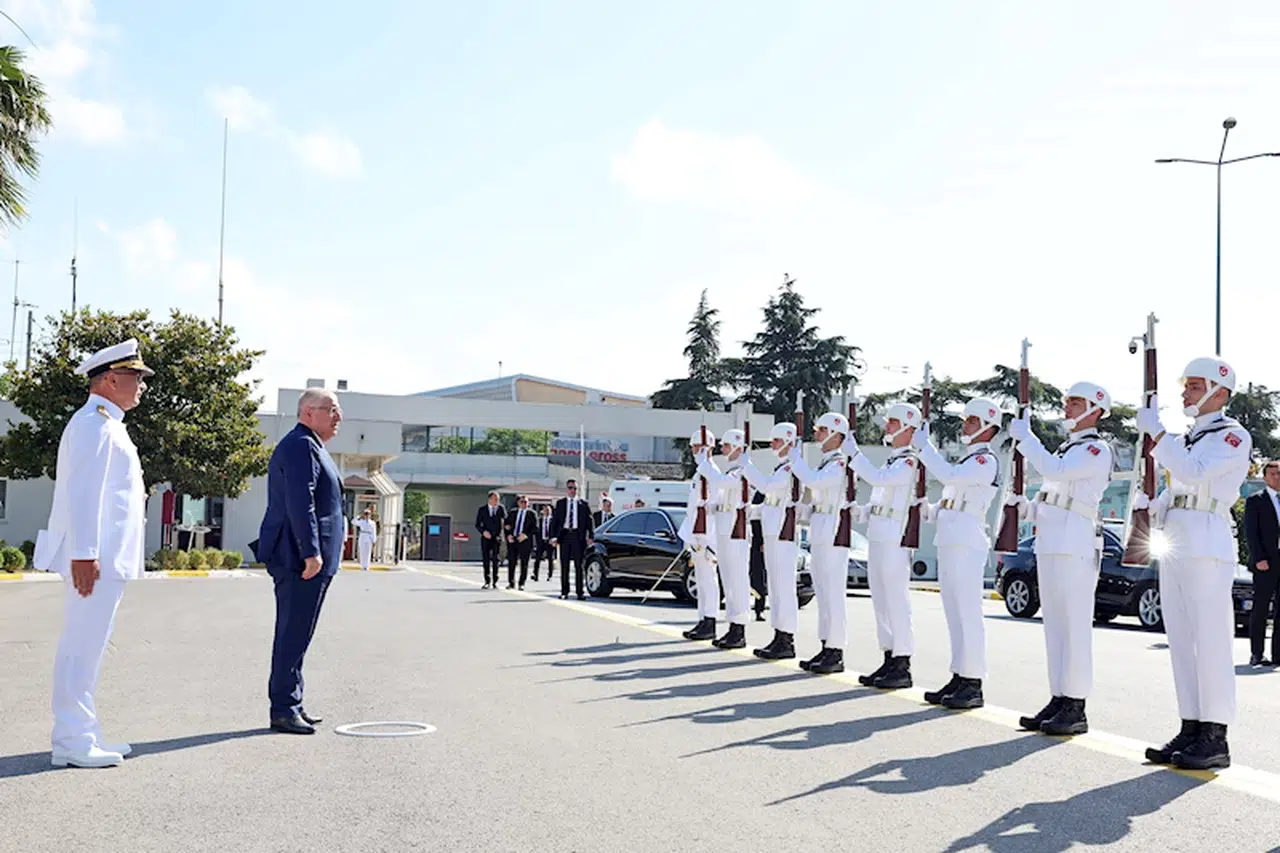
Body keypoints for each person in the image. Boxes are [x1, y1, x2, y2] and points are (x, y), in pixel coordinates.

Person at [35, 339, 152, 768]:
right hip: (94, 560)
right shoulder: (93, 424)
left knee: (89, 646)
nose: (142, 385)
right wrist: (84, 554)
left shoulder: (108, 423)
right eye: (136, 377)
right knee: (81, 647)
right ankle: (72, 740)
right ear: (110, 379)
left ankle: (84, 732)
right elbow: (83, 492)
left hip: (105, 557)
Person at [1137, 357, 1251, 770]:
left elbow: (1195, 472)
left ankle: (1215, 735)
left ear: (1220, 392)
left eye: (1195, 385)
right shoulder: (1189, 437)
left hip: (1206, 541)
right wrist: (1154, 505)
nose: (1185, 392)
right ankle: (1191, 726)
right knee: (1182, 639)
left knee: (1210, 640)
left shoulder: (1232, 435)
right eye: (1185, 385)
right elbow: (1179, 484)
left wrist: (1158, 434)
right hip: (1177, 539)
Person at [1006, 382, 1113, 737]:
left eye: (1076, 403)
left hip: (1075, 543)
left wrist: (1027, 439)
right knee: (1054, 625)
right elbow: (1053, 494)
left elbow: (1055, 471)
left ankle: (1076, 704)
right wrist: (1027, 508)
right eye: (1067, 402)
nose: (1067, 408)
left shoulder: (1095, 449)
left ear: (1095, 410)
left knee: (1074, 625)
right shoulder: (1068, 449)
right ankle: (1059, 696)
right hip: (1051, 542)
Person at [254, 387, 345, 735]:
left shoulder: (312, 446)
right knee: (292, 632)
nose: (338, 417)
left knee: (300, 632)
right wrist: (310, 551)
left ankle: (293, 701)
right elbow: (300, 501)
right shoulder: (300, 445)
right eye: (331, 409)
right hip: (297, 558)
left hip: (308, 557)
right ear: (308, 412)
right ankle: (283, 708)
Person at [911, 398, 1004, 709]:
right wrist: (930, 510)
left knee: (968, 613)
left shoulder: (984, 460)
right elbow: (952, 500)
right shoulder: (968, 461)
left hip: (966, 542)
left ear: (988, 427)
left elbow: (950, 477)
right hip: (951, 539)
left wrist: (925, 449)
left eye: (972, 420)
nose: (965, 425)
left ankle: (973, 681)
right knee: (954, 613)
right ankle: (959, 675)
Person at [847, 403, 923, 689]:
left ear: (907, 428)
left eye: (892, 422)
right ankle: (889, 656)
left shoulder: (909, 461)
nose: (887, 426)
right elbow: (881, 495)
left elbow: (881, 480)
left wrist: (855, 455)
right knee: (880, 599)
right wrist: (862, 511)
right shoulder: (892, 460)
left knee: (895, 600)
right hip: (879, 534)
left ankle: (902, 663)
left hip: (895, 537)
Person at [788, 413, 854, 675]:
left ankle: (836, 650)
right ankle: (826, 645)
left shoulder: (839, 463)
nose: (816, 434)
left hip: (833, 531)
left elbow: (814, 482)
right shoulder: (826, 463)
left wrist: (795, 460)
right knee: (823, 592)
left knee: (833, 594)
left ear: (837, 435)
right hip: (821, 529)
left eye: (822, 430)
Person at [740, 422, 803, 660]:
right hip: (773, 533)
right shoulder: (780, 468)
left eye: (776, 440)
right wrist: (753, 511)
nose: (772, 444)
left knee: (784, 588)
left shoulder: (789, 468)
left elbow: (766, 487)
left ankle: (787, 639)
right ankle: (779, 635)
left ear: (787, 442)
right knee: (776, 587)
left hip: (783, 534)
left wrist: (747, 465)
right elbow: (771, 502)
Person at [695, 428, 752, 649]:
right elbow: (723, 496)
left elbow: (720, 482)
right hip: (725, 531)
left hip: (736, 533)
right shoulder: (733, 471)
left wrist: (704, 463)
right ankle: (733, 627)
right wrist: (712, 507)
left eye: (726, 445)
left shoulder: (742, 471)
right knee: (728, 581)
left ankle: (739, 628)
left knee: (738, 581)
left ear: (737, 446)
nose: (723, 449)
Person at [679, 429, 720, 640]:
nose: (695, 450)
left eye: (698, 447)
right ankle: (703, 619)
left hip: (707, 536)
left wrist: (708, 539)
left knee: (708, 579)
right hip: (697, 534)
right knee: (701, 580)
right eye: (693, 447)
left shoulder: (711, 472)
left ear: (708, 448)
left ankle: (710, 620)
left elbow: (712, 508)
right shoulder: (699, 473)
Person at [1243, 460, 1280, 668]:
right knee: (1261, 608)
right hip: (1265, 562)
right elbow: (1251, 533)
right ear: (1265, 478)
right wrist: (1258, 558)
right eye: (1273, 474)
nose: (1277, 477)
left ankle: (1278, 654)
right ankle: (1256, 653)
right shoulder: (1256, 501)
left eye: (1279, 473)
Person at [550, 479, 594, 599]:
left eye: (575, 488)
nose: (573, 490)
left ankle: (580, 592)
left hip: (578, 537)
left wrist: (591, 536)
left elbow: (589, 521)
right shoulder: (561, 503)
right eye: (570, 488)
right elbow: (555, 522)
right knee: (564, 565)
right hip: (564, 536)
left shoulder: (583, 504)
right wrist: (553, 537)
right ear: (567, 489)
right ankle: (564, 591)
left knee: (579, 565)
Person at [475, 491, 506, 589]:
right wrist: (483, 532)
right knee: (486, 559)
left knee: (496, 559)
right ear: (490, 499)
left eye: (498, 499)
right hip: (486, 537)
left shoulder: (501, 509)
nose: (497, 501)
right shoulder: (482, 510)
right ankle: (487, 581)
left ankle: (495, 581)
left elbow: (505, 520)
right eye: (495, 499)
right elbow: (477, 524)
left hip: (496, 537)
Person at [505, 495, 537, 590]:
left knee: (524, 563)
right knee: (512, 562)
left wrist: (525, 534)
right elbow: (506, 525)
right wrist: (508, 535)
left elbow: (535, 528)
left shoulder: (532, 514)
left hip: (525, 541)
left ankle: (521, 583)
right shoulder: (512, 512)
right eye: (522, 502)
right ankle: (511, 582)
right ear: (518, 503)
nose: (524, 504)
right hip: (513, 540)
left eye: (526, 502)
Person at [749, 489, 768, 622]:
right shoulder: (761, 493)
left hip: (768, 541)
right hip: (757, 543)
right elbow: (756, 520)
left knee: (761, 579)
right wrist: (761, 540)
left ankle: (759, 608)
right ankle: (757, 609)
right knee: (757, 578)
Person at [533, 505, 554, 582]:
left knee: (550, 559)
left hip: (550, 541)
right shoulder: (540, 520)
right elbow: (536, 531)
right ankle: (535, 575)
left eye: (548, 510)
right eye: (545, 510)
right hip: (541, 541)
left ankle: (550, 575)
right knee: (537, 558)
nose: (546, 512)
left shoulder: (553, 520)